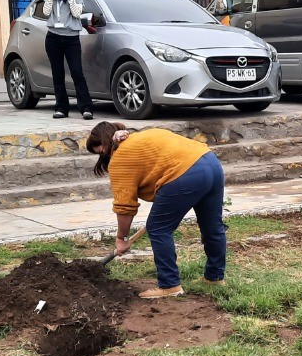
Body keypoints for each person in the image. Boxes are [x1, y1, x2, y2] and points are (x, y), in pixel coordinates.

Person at [87, 122, 226, 299]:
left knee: (158, 228)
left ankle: (169, 285)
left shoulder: (121, 157)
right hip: (210, 162)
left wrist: (122, 238)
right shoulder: (139, 138)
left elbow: (124, 207)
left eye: (100, 152)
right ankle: (214, 277)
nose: (102, 156)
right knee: (212, 226)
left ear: (105, 142)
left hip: (185, 173)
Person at [41, 0, 94, 121]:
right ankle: (61, 107)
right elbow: (45, 13)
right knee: (57, 74)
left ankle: (86, 108)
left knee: (77, 72)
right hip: (53, 39)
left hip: (71, 39)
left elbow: (77, 13)